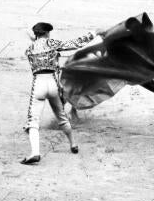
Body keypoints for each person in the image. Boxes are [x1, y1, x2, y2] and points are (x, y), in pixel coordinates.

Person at [21, 22, 98, 165]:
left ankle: (35, 153)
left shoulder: (29, 50)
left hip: (38, 84)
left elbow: (38, 48)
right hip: (53, 84)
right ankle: (73, 144)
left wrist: (35, 41)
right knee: (62, 117)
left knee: (33, 121)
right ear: (47, 33)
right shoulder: (52, 44)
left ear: (36, 34)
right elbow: (76, 44)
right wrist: (93, 33)